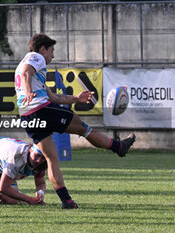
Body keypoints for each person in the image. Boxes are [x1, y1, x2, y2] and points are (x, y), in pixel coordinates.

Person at [15, 33, 136, 209]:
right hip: (40, 110)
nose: (53, 56)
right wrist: (27, 91)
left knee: (51, 158)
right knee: (83, 128)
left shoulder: (30, 69)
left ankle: (67, 201)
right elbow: (27, 72)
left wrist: (76, 98)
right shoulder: (36, 57)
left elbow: (54, 96)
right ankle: (118, 147)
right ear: (42, 49)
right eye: (51, 50)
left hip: (27, 116)